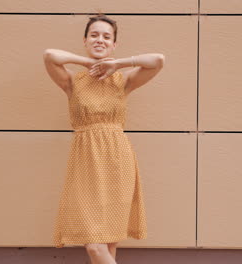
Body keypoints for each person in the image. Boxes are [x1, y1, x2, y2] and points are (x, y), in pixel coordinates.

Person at [43, 13, 165, 264]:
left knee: (109, 242)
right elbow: (50, 55)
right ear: (86, 40)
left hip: (117, 159)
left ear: (114, 44)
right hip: (86, 162)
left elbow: (158, 60)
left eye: (107, 37)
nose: (100, 40)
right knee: (95, 246)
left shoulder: (123, 81)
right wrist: (88, 63)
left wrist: (117, 64)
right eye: (94, 35)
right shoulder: (72, 82)